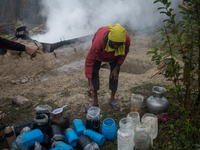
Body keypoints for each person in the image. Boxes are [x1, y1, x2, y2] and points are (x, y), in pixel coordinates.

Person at [85, 23, 131, 112]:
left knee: (114, 76)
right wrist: (90, 84)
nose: (116, 46)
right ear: (110, 39)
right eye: (114, 44)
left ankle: (112, 99)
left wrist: (117, 67)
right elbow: (89, 61)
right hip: (99, 55)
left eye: (119, 44)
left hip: (115, 56)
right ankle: (95, 101)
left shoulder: (126, 39)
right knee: (94, 74)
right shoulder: (99, 41)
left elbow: (124, 53)